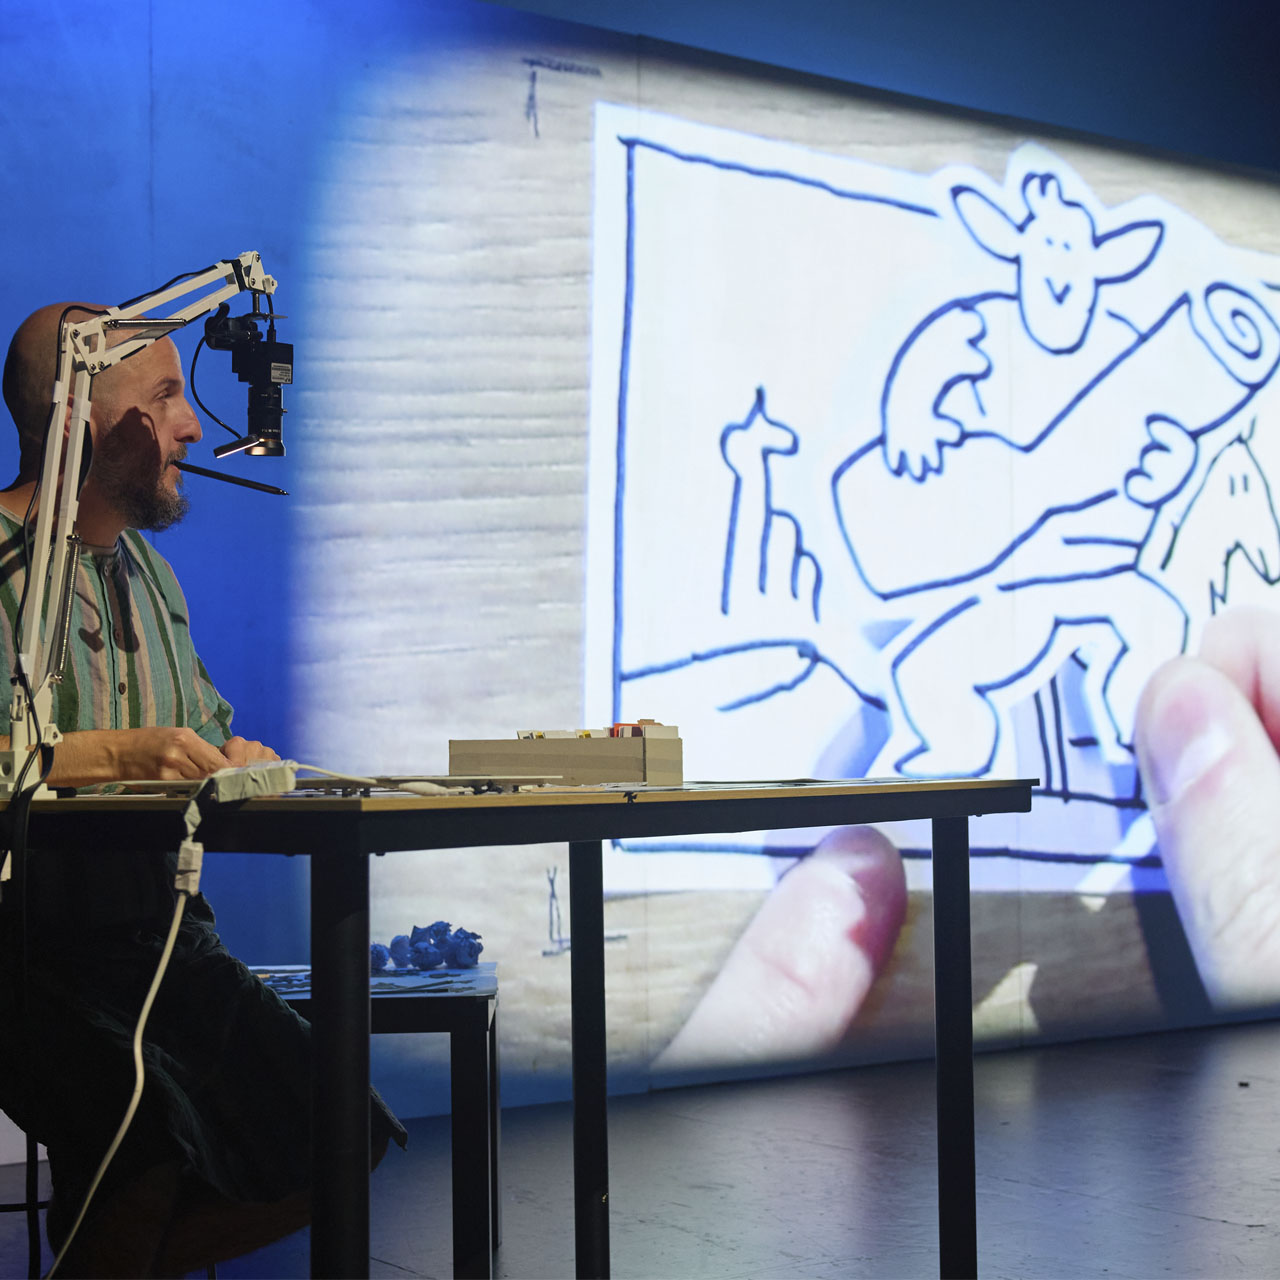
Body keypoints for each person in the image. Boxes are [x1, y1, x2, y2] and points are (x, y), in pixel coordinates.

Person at [0, 303, 405, 1276]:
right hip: (25, 947)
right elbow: (122, 750)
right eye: (167, 398)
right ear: (81, 418)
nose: (190, 426)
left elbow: (199, 727)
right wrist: (120, 755)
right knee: (139, 1142)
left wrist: (232, 756)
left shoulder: (152, 576)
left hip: (160, 938)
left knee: (338, 1129)